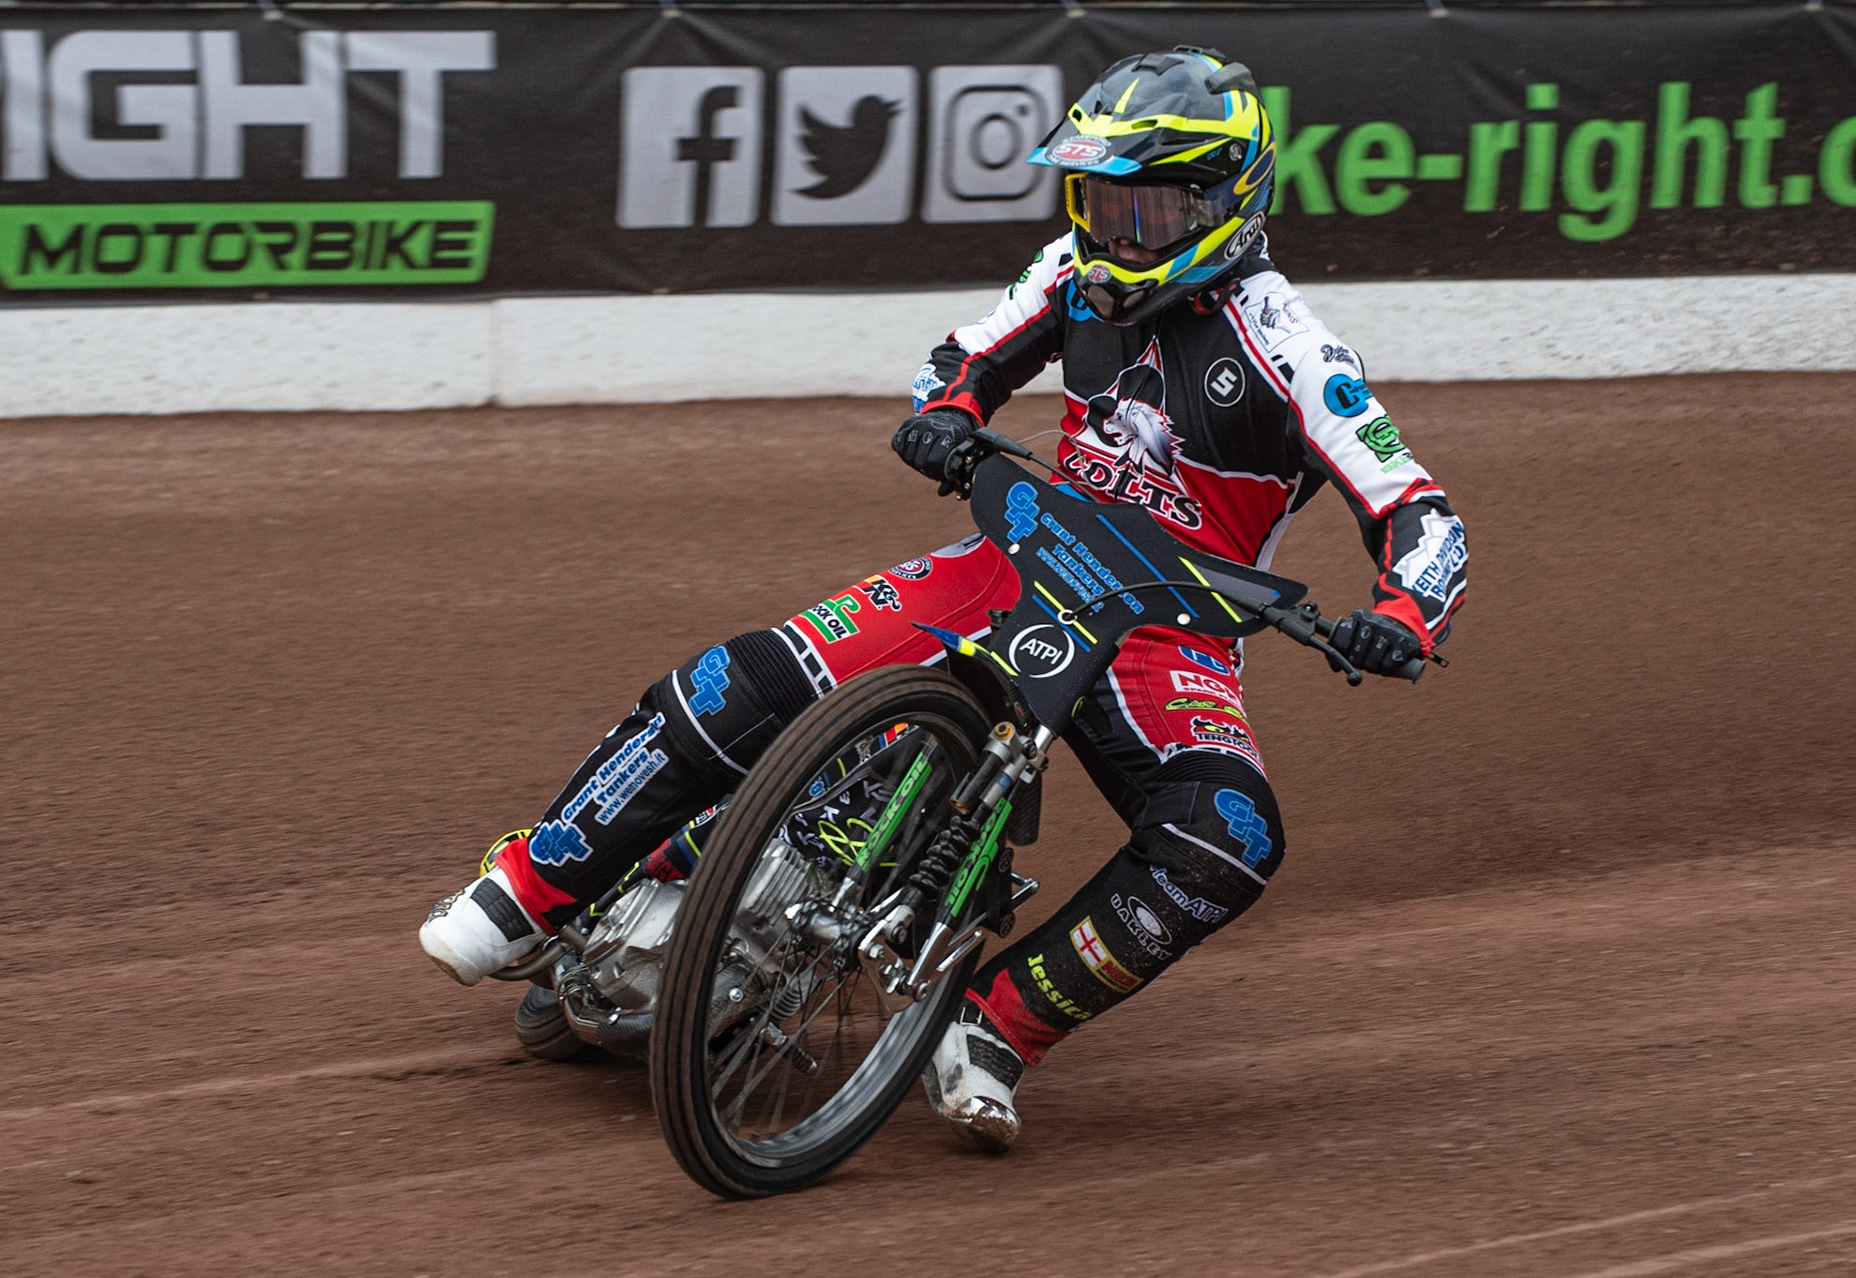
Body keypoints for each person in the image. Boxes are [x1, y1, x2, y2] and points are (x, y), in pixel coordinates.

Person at [420, 47, 1468, 1153]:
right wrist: (949, 410)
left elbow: (1425, 515)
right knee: (743, 678)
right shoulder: (1074, 270)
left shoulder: (1297, 350)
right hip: (1017, 555)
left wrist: (1403, 615)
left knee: (1230, 837)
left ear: (1226, 203)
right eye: (1102, 201)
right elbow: (965, 355)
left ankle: (994, 1027)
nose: (1119, 234)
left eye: (1150, 207)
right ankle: (530, 888)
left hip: (1166, 632)